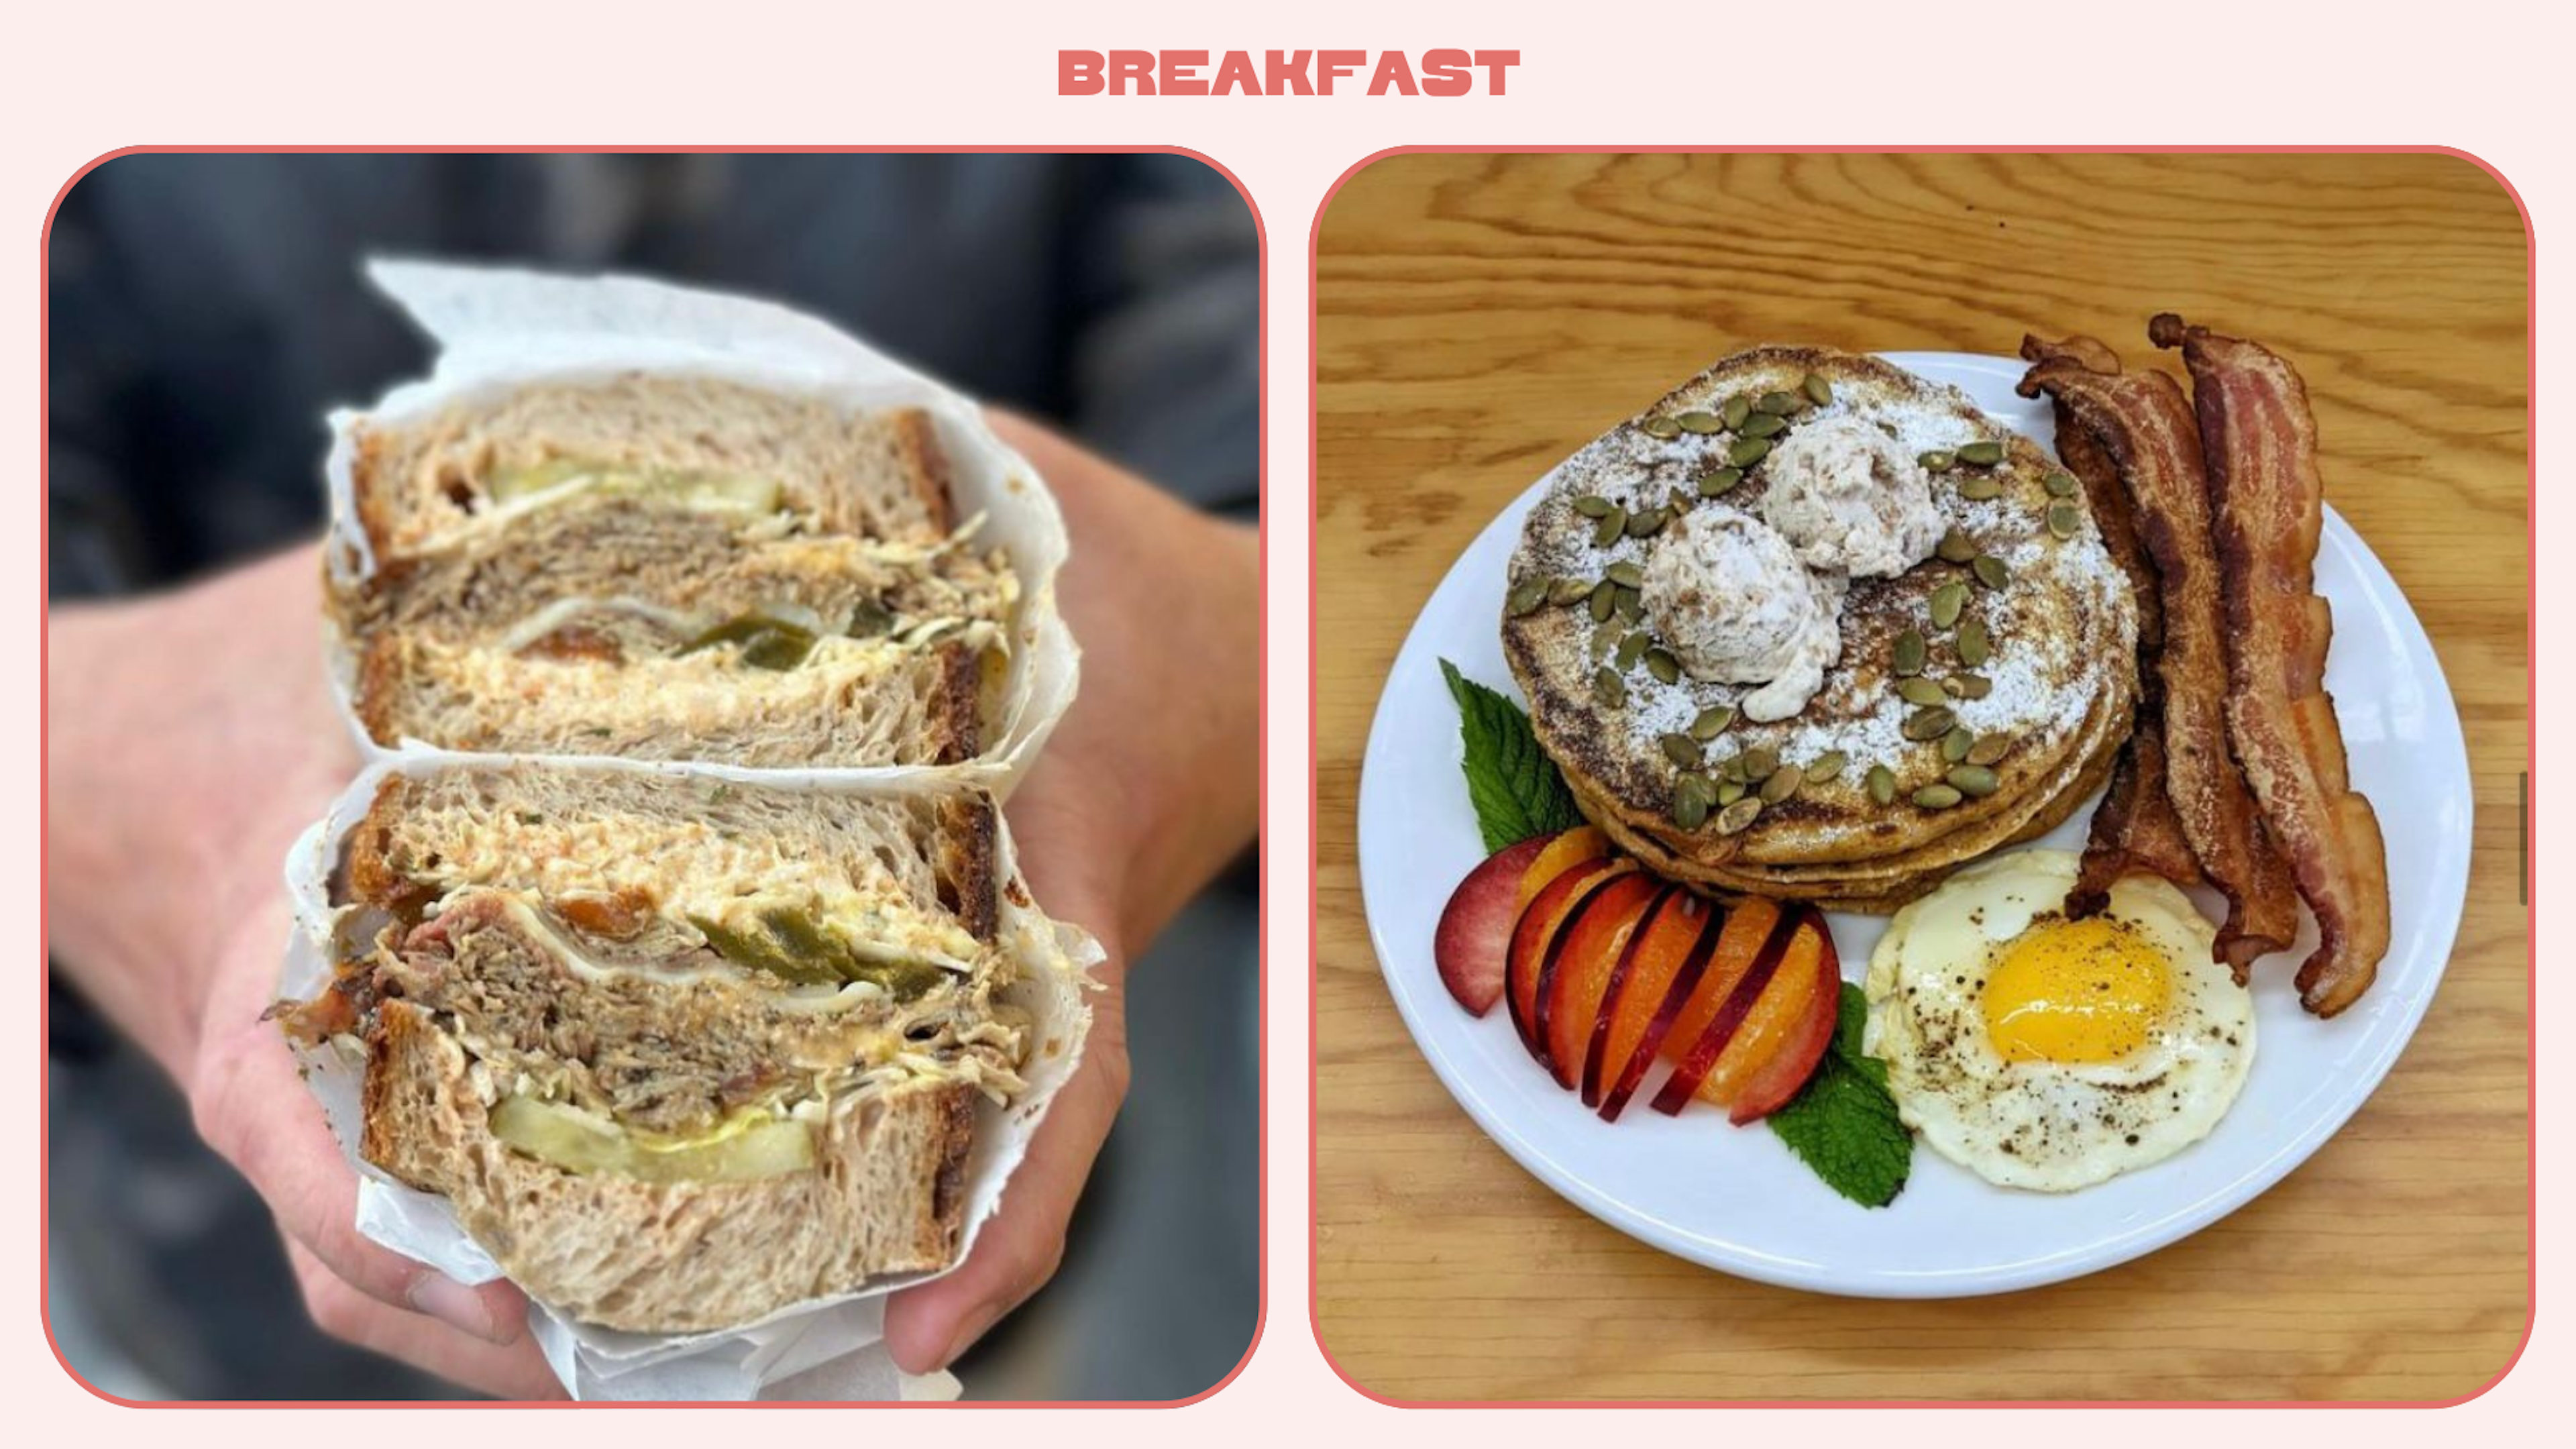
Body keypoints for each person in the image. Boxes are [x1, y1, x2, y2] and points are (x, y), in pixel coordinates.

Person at [43, 152, 1260, 1400]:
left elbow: (1243, 343)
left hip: (948, 1289)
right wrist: (78, 761)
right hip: (210, 1290)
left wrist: (1236, 626)